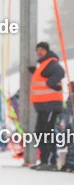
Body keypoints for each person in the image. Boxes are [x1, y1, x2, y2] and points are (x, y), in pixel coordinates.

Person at [29, 41, 66, 170]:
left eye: (42, 49)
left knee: (47, 132)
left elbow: (60, 72)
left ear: (47, 51)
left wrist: (51, 83)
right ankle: (44, 160)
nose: (39, 52)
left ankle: (51, 162)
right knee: (39, 132)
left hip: (50, 104)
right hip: (42, 105)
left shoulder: (50, 62)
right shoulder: (43, 64)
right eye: (38, 49)